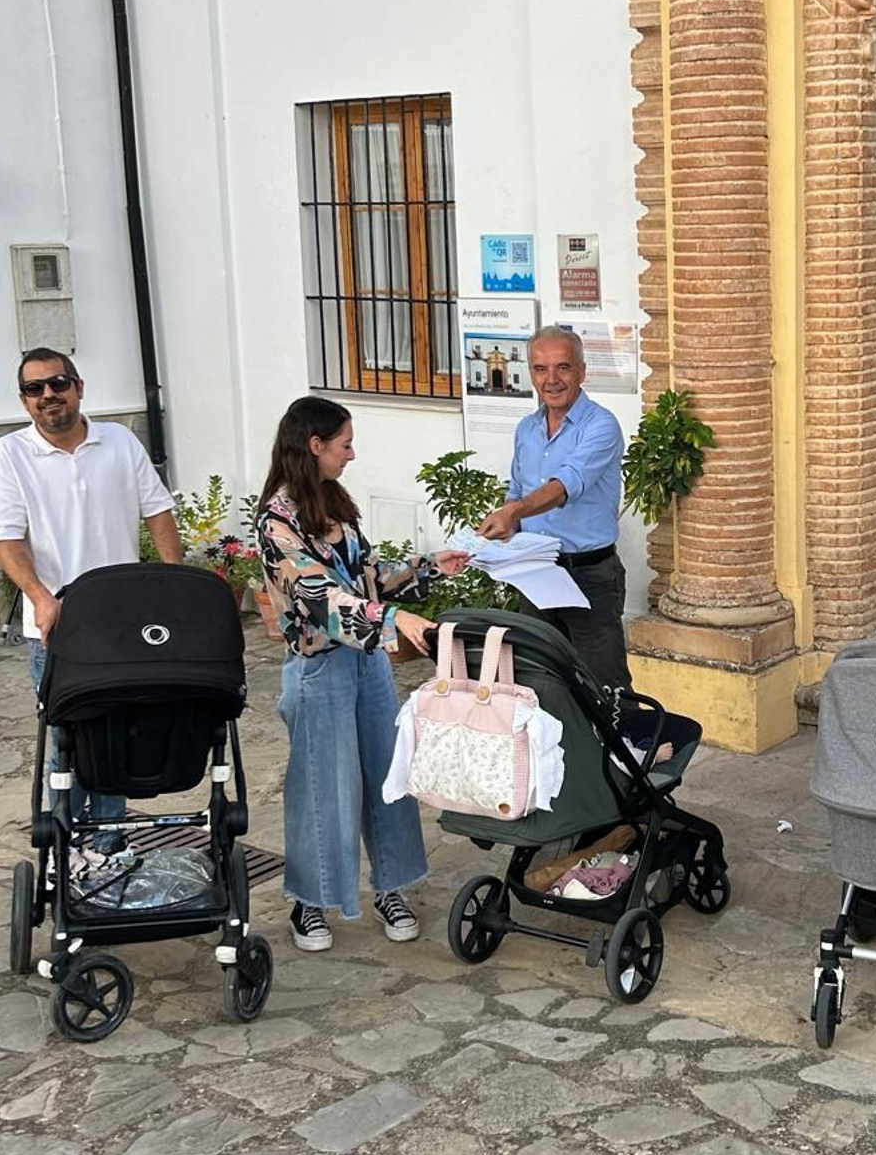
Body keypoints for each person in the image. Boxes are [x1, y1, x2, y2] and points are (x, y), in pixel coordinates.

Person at [255, 397, 470, 954]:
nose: (353, 453)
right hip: (319, 667)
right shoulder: (276, 523)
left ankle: (392, 888)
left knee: (386, 777)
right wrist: (398, 620)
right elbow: (320, 599)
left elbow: (366, 583)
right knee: (323, 786)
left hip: (367, 662)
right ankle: (310, 901)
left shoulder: (336, 506)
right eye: (345, 444)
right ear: (315, 445)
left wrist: (426, 569)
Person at [0, 348, 182, 877]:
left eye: (58, 383)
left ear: (79, 386)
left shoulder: (117, 441)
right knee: (66, 740)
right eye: (35, 389)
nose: (49, 395)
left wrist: (173, 584)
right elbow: (6, 540)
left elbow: (158, 511)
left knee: (119, 732)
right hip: (55, 628)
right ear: (25, 400)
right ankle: (62, 850)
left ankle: (110, 844)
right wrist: (42, 598)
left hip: (125, 623)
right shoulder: (10, 454)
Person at [477, 325, 630, 693]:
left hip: (589, 575)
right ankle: (564, 752)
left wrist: (514, 512)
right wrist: (492, 537)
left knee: (605, 686)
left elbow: (566, 485)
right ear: (531, 373)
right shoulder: (527, 429)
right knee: (541, 681)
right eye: (541, 369)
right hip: (535, 572)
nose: (552, 379)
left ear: (581, 371)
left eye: (562, 367)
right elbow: (517, 491)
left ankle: (630, 749)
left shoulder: (601, 425)